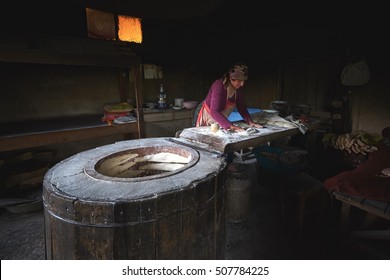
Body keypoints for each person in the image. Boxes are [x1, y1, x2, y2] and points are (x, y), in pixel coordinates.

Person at [195, 63, 262, 132]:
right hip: (205, 115)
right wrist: (231, 126)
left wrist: (250, 122)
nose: (242, 84)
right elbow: (214, 111)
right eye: (240, 81)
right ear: (231, 78)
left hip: (217, 119)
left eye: (244, 81)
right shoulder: (219, 85)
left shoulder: (238, 88)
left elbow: (241, 107)